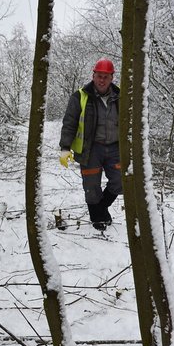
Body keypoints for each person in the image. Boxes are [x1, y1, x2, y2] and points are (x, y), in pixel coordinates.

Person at [59, 58, 122, 231]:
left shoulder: (121, 96)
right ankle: (97, 218)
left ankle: (101, 209)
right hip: (91, 149)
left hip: (115, 148)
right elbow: (69, 123)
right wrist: (65, 148)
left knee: (120, 180)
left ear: (111, 78)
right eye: (99, 76)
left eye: (106, 77)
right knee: (91, 186)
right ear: (93, 75)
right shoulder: (80, 96)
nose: (102, 80)